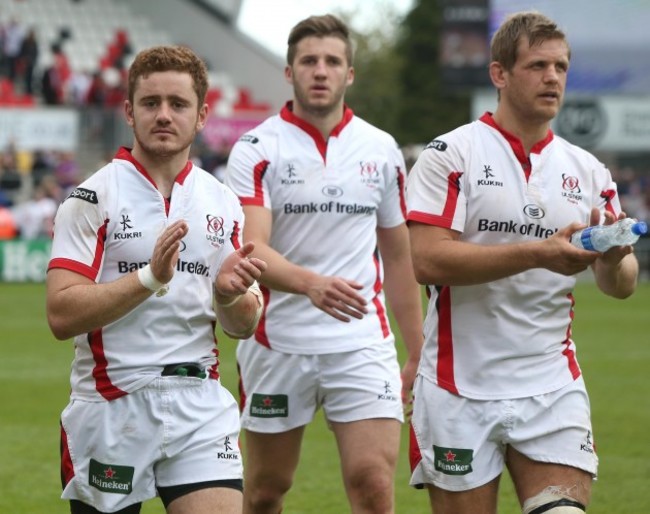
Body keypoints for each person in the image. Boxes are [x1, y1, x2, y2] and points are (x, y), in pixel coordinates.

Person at [405, 11, 640, 514]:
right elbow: (427, 261)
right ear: (500, 74)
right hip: (457, 386)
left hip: (551, 384)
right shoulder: (451, 154)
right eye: (537, 65)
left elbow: (621, 286)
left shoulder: (589, 170)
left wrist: (615, 259)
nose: (552, 77)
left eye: (560, 66)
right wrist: (539, 252)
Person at [46, 45, 267, 514]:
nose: (163, 115)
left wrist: (230, 297)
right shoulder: (92, 196)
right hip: (112, 406)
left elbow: (243, 325)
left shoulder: (222, 200)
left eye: (178, 104)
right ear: (129, 111)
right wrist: (149, 278)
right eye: (150, 103)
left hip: (199, 404)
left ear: (202, 114)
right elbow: (61, 314)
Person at [225, 14, 424, 514]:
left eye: (332, 61)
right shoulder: (256, 148)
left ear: (349, 74)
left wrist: (419, 350)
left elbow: (399, 257)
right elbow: (252, 249)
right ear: (289, 71)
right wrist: (309, 284)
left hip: (360, 342)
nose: (321, 70)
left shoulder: (381, 150)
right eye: (308, 61)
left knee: (373, 486)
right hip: (276, 342)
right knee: (267, 490)